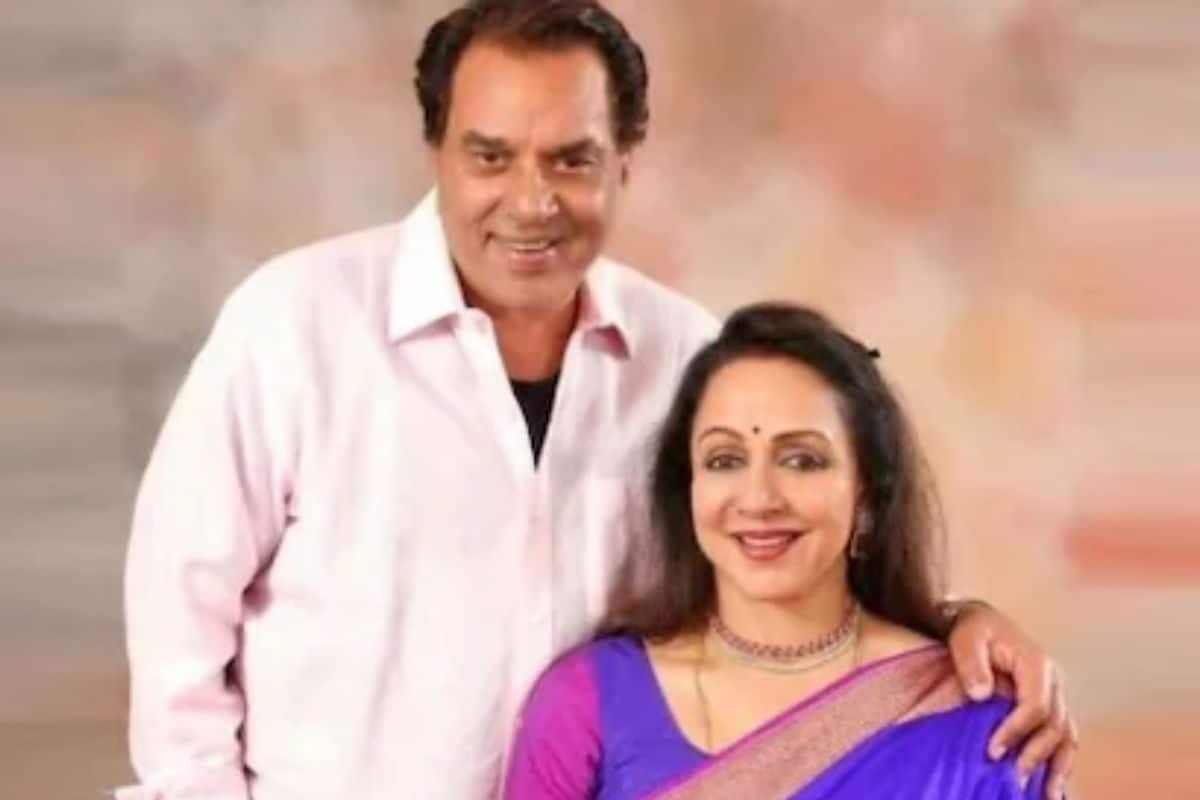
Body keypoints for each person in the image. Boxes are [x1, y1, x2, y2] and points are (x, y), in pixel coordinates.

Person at [119, 2, 1075, 799]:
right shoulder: (296, 328)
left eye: (571, 159)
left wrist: (957, 626)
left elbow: (786, 553)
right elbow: (178, 637)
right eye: (490, 157)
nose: (531, 201)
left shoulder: (686, 358)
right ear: (436, 150)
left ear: (627, 158)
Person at [504, 302, 1053, 799]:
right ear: (687, 488)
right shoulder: (588, 701)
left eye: (802, 460)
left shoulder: (977, 718)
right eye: (724, 460)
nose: (759, 499)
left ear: (867, 494)